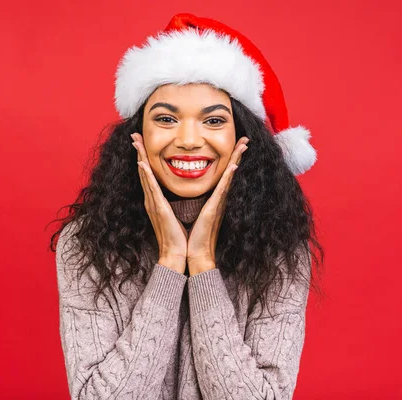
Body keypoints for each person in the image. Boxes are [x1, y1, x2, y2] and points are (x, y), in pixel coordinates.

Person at [49, 13, 325, 400]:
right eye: (165, 118)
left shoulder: (279, 249)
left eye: (213, 120)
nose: (189, 140)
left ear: (242, 138)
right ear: (137, 134)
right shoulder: (86, 243)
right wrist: (170, 261)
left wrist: (202, 264)